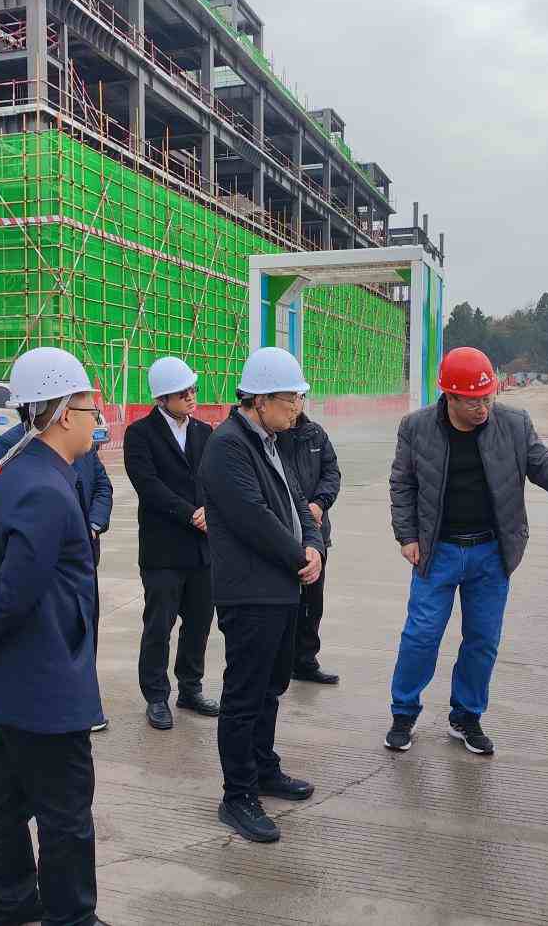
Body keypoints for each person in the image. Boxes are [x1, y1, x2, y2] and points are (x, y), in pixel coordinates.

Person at [0, 347, 110, 926]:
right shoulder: (43, 487)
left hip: (19, 680)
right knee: (66, 814)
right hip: (44, 681)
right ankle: (70, 917)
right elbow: (11, 587)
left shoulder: (26, 470)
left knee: (8, 802)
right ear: (61, 414)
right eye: (89, 407)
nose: (96, 418)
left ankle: (11, 905)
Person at [385, 347, 548, 756]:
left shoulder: (514, 423)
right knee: (421, 636)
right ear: (450, 396)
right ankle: (403, 713)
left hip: (490, 553)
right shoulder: (416, 428)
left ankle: (466, 716)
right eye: (473, 401)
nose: (483, 408)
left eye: (487, 398)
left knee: (483, 639)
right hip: (438, 553)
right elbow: (403, 483)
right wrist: (407, 536)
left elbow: (542, 463)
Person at [198, 347, 324, 844]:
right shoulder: (228, 446)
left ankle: (263, 768)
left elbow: (296, 501)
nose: (297, 408)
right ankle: (237, 795)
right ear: (261, 400)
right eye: (291, 399)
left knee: (272, 686)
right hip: (250, 593)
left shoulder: (271, 441)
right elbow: (254, 517)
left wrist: (313, 546)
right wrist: (299, 556)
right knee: (245, 695)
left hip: (282, 588)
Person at [0, 421, 113, 731]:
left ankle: (84, 705)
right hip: (46, 562)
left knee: (85, 631)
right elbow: (13, 509)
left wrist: (92, 525)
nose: (94, 420)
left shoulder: (81, 442)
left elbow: (103, 486)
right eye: (88, 409)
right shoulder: (12, 445)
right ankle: (53, 709)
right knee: (50, 635)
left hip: (83, 557)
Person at [123, 356, 219, 730]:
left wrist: (210, 510)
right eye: (183, 393)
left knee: (199, 623)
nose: (192, 397)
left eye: (193, 390)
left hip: (202, 549)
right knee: (158, 626)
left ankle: (190, 688)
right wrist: (191, 514)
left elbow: (215, 479)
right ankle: (156, 696)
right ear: (162, 398)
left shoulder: (204, 433)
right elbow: (148, 486)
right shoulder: (140, 434)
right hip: (163, 550)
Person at [278, 408, 342, 684]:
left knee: (312, 604)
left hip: (316, 533)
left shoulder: (315, 434)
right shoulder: (270, 435)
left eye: (299, 397)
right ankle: (280, 662)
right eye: (291, 396)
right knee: (283, 604)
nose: (295, 403)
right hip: (282, 532)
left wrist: (319, 504)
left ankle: (305, 661)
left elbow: (332, 473)